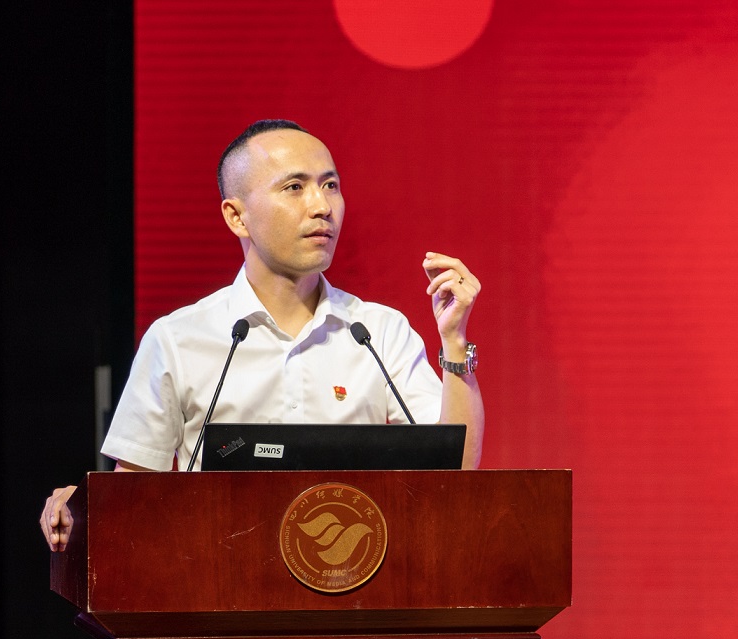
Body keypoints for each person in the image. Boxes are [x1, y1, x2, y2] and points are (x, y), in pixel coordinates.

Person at [40, 119, 483, 551]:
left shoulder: (378, 332)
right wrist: (84, 508)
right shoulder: (177, 339)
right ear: (237, 216)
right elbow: (131, 500)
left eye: (330, 185)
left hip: (355, 575)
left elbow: (456, 470)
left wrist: (454, 342)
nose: (322, 206)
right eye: (294, 187)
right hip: (218, 580)